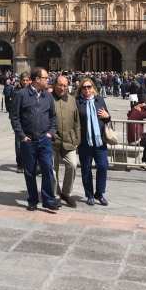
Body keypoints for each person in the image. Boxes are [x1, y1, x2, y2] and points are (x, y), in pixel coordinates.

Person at [9, 67, 59, 212]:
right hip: (28, 141)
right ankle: (32, 200)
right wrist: (21, 136)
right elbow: (14, 117)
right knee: (30, 171)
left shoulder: (47, 96)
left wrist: (50, 133)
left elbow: (53, 117)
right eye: (45, 78)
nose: (48, 80)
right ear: (37, 79)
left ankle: (48, 200)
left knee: (47, 169)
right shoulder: (21, 95)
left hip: (44, 139)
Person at [76, 78, 111, 206]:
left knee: (103, 166)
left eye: (89, 87)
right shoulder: (77, 102)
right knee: (86, 169)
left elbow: (107, 117)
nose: (87, 89)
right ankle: (89, 195)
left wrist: (107, 117)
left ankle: (99, 193)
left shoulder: (99, 100)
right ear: (81, 89)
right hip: (85, 142)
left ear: (93, 88)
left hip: (99, 141)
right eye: (84, 87)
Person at [51, 75, 79, 207]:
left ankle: (66, 193)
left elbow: (77, 121)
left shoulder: (72, 100)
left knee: (72, 165)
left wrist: (77, 138)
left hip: (69, 140)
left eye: (65, 85)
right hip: (52, 141)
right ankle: (55, 194)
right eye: (60, 85)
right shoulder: (48, 99)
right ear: (54, 85)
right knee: (52, 169)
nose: (62, 88)